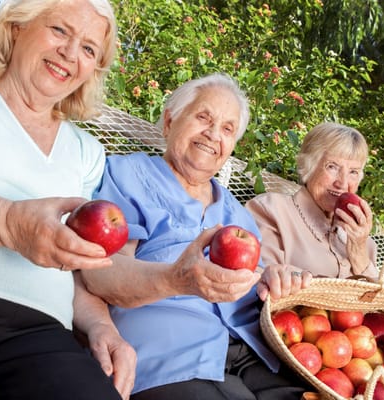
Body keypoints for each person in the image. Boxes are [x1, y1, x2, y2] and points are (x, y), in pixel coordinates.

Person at [0, 0, 136, 399]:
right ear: (17, 27)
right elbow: (21, 230)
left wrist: (101, 325)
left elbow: (73, 268)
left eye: (88, 49)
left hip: (36, 333)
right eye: (60, 30)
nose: (69, 53)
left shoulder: (86, 152)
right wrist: (8, 223)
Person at [79, 73, 311, 400]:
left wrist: (274, 280)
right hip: (174, 355)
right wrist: (176, 279)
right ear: (170, 120)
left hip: (256, 354)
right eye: (204, 117)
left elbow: (256, 280)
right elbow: (101, 273)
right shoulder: (127, 174)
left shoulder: (237, 213)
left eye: (228, 129)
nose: (213, 134)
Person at [245, 122, 378, 301]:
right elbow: (260, 282)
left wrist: (359, 253)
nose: (343, 183)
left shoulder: (364, 242)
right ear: (309, 165)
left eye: (353, 172)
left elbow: (381, 308)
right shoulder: (271, 210)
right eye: (332, 167)